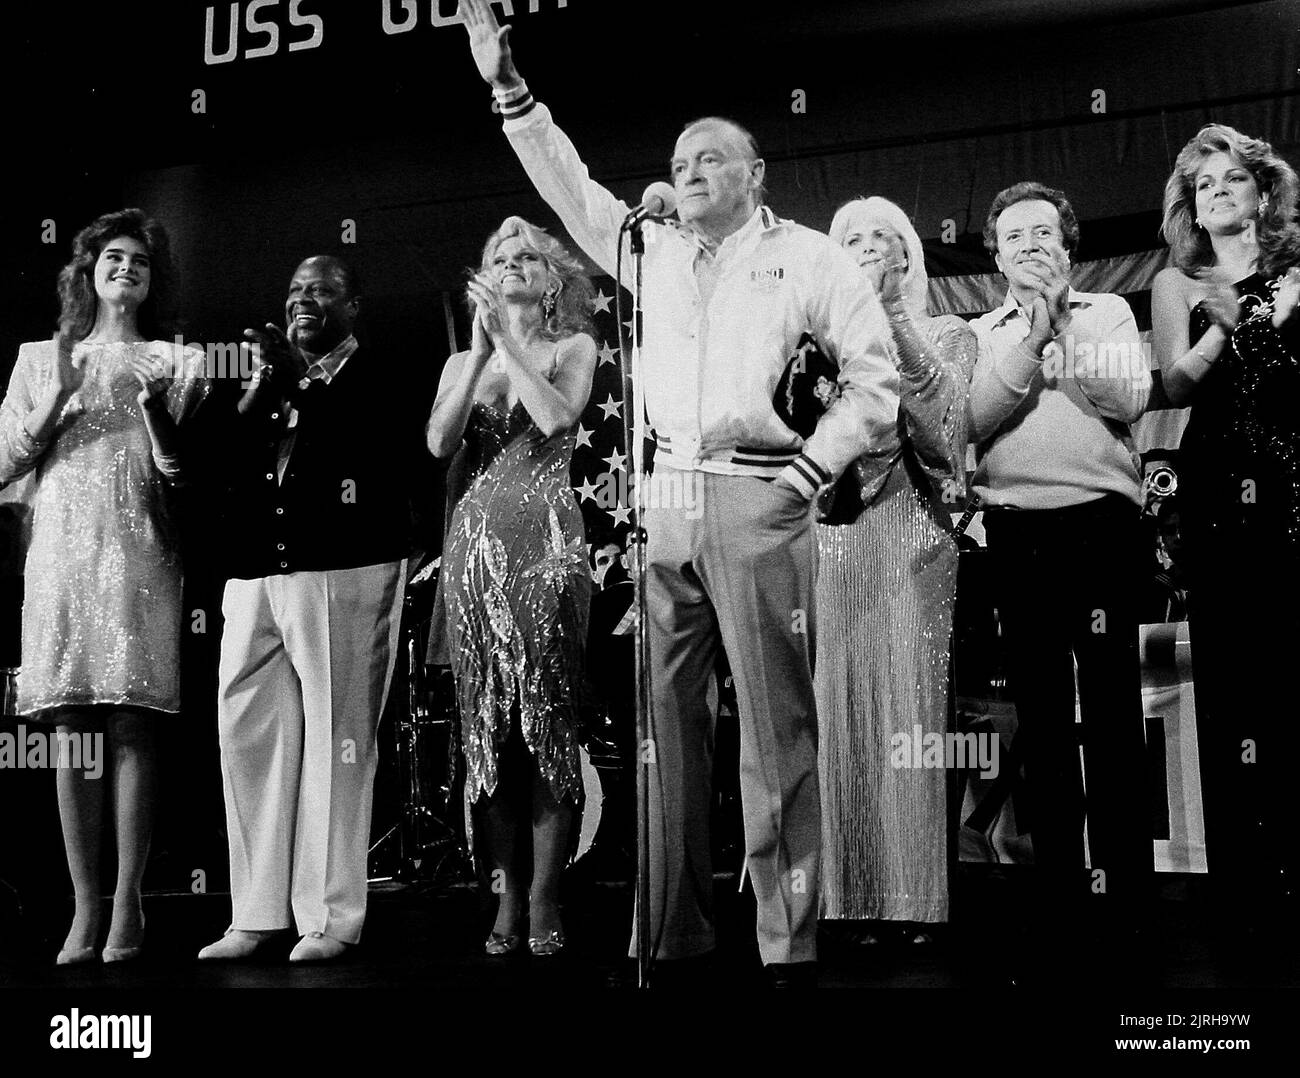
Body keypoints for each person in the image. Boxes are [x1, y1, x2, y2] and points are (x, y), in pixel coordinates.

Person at [458, 0, 900, 985]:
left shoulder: (808, 257)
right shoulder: (646, 247)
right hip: (664, 502)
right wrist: (507, 87)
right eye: (680, 158)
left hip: (757, 496)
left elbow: (875, 381)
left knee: (777, 732)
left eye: (711, 157)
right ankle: (672, 934)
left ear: (756, 175)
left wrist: (806, 471)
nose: (690, 170)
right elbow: (566, 184)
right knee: (664, 733)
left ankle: (786, 941)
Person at [0, 208, 208, 964]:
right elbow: (4, 463)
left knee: (131, 723)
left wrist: (156, 410)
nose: (126, 269)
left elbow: (182, 473)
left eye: (140, 263)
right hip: (59, 549)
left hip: (140, 542)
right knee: (69, 728)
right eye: (113, 258)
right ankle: (83, 907)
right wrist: (56, 398)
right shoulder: (37, 357)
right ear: (87, 270)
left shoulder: (176, 361)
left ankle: (128, 904)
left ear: (151, 282)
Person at [198, 255, 420, 963]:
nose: (304, 300)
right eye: (294, 289)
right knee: (248, 735)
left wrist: (295, 385)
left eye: (322, 290)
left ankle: (328, 917)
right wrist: (260, 390)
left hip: (344, 565)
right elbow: (220, 465)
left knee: (337, 738)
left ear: (354, 306)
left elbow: (391, 454)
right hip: (255, 571)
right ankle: (256, 911)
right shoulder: (268, 382)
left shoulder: (383, 372)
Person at [968, 182, 1154, 964]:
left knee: (1112, 716)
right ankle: (1061, 896)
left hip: (1102, 531)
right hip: (1017, 536)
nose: (1030, 246)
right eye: (1015, 238)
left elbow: (1132, 397)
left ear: (1068, 245)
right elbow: (971, 420)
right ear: (998, 255)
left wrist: (1063, 329)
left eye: (1043, 232)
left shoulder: (1108, 313)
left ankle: (1128, 900)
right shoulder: (978, 332)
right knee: (1042, 721)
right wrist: (1028, 336)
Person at [426, 216, 597, 956]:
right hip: (474, 550)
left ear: (552, 281)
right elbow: (438, 444)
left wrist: (512, 348)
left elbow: (558, 419)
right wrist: (476, 352)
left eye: (528, 257)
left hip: (547, 547)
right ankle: (505, 897)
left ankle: (547, 896)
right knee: (487, 728)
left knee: (548, 722)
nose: (515, 264)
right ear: (484, 279)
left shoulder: (572, 347)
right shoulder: (463, 362)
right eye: (502, 257)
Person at [1151, 124, 1300, 929]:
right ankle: (1242, 872)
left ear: (1263, 192)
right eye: (1203, 187)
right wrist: (1229, 323)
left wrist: (1271, 320)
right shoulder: (1180, 281)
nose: (1217, 194)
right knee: (1233, 676)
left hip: (1294, 481)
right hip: (1218, 486)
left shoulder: (1299, 270)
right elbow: (1171, 386)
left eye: (1231, 180)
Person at [816, 197, 977, 938]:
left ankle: (911, 897)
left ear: (910, 254)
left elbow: (944, 433)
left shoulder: (947, 332)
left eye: (884, 236)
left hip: (912, 535)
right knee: (834, 711)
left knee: (907, 717)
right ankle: (840, 896)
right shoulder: (813, 346)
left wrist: (893, 320)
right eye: (852, 238)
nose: (869, 246)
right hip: (828, 541)